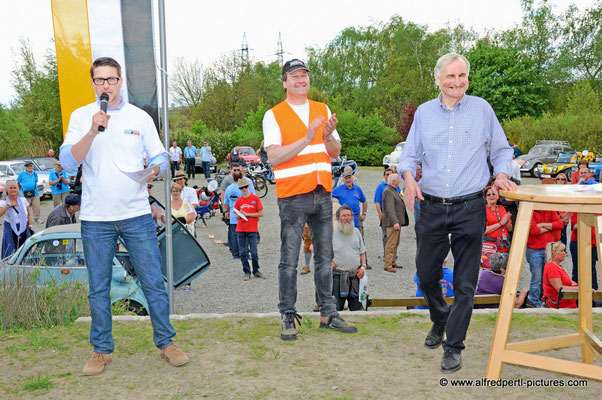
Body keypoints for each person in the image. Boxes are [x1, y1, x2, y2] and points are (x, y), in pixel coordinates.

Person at [59, 56, 188, 375]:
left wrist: (155, 168)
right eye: (100, 80)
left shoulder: (139, 117)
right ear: (92, 84)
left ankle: (166, 343)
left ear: (121, 82)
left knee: (152, 282)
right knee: (98, 287)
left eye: (111, 80)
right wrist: (92, 131)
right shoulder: (80, 117)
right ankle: (101, 351)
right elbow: (67, 162)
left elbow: (160, 156)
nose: (106, 86)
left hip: (136, 215)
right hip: (96, 218)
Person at [398, 52, 516, 373]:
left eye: (462, 76)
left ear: (467, 79)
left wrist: (503, 173)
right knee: (426, 274)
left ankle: (453, 345)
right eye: (450, 76)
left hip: (470, 207)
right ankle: (440, 318)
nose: (456, 82)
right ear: (437, 79)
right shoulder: (424, 113)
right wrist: (408, 178)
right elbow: (408, 157)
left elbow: (503, 150)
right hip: (432, 206)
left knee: (466, 283)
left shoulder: (481, 109)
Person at [262, 58, 357, 340]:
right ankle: (287, 314)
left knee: (325, 256)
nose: (300, 80)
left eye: (304, 75)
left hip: (322, 192)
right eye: (294, 76)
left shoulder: (321, 109)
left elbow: (336, 152)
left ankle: (328, 312)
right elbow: (274, 156)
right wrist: (306, 138)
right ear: (284, 83)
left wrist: (327, 136)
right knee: (289, 259)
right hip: (292, 196)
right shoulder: (274, 114)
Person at [331, 205, 366, 311]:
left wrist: (363, 267)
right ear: (338, 219)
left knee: (357, 309)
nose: (346, 218)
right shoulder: (331, 233)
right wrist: (329, 263)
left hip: (355, 276)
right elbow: (315, 248)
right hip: (337, 277)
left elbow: (362, 252)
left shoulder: (356, 232)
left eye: (349, 215)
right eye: (343, 216)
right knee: (336, 309)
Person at [525, 210, 563, 307]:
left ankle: (544, 299)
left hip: (547, 249)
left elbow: (560, 224)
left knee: (547, 277)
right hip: (534, 250)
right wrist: (551, 227)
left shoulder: (550, 210)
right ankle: (534, 301)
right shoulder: (531, 211)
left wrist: (542, 224)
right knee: (537, 278)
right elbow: (534, 231)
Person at [234, 179, 264, 280]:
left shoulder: (255, 198)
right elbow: (237, 217)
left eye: (245, 187)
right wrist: (240, 214)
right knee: (242, 252)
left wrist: (247, 214)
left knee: (254, 252)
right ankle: (246, 271)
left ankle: (256, 270)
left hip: (252, 229)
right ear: (240, 189)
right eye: (242, 188)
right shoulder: (238, 201)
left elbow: (261, 213)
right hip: (241, 229)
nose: (244, 189)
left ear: (248, 187)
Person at [380, 173, 407, 273]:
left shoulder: (393, 190)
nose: (399, 181)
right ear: (394, 182)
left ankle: (392, 261)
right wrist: (395, 222)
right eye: (398, 180)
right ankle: (388, 264)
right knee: (390, 244)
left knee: (395, 243)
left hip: (396, 222)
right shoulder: (388, 192)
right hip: (392, 223)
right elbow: (390, 209)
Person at [0, 181, 32, 258]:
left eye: (15, 188)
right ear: (7, 190)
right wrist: (8, 205)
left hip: (24, 227)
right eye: (11, 188)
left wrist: (30, 224)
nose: (13, 189)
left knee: (24, 248)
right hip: (10, 228)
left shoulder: (23, 199)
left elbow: (28, 214)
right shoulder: (3, 202)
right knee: (11, 249)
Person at [542, 241, 578, 308]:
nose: (564, 253)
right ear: (554, 253)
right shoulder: (551, 267)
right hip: (558, 305)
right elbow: (559, 288)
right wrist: (580, 289)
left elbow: (570, 283)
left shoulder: (558, 266)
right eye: (562, 251)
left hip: (566, 303)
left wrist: (584, 288)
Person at [332, 168, 367, 234]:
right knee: (345, 236)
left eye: (349, 177)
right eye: (346, 178)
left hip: (356, 216)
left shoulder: (357, 188)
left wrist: (364, 214)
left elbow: (364, 201)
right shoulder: (338, 189)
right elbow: (328, 196)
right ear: (343, 179)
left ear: (352, 178)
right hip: (345, 217)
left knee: (359, 236)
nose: (348, 180)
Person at [483, 185, 512, 258]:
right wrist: (501, 223)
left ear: (498, 196)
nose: (491, 196)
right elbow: (484, 230)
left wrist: (507, 220)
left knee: (504, 269)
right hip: (490, 247)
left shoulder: (501, 208)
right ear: (486, 198)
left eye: (493, 194)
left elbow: (510, 229)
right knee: (490, 268)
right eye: (488, 195)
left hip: (504, 246)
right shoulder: (483, 210)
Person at [374, 169, 396, 261]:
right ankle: (386, 255)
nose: (389, 176)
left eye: (391, 174)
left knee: (394, 236)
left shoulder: (395, 186)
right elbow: (377, 202)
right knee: (386, 236)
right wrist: (380, 215)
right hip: (385, 214)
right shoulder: (380, 187)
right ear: (384, 176)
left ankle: (393, 255)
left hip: (395, 215)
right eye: (387, 174)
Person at [553, 173, 571, 245]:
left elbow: (571, 206)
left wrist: (567, 216)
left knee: (563, 233)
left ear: (565, 181)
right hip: (554, 215)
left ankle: (563, 250)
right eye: (558, 179)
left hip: (564, 215)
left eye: (562, 179)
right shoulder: (552, 191)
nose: (560, 181)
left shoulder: (568, 192)